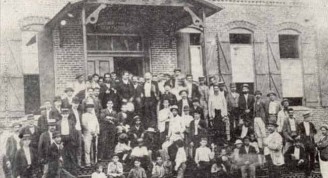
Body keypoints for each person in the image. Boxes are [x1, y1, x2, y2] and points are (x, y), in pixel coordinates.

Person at [297, 111, 317, 178]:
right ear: (305, 118)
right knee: (305, 156)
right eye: (308, 117)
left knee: (312, 155)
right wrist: (303, 137)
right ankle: (306, 171)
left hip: (310, 140)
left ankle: (312, 168)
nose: (309, 118)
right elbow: (299, 132)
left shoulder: (311, 124)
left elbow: (315, 131)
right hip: (304, 141)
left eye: (309, 117)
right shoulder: (300, 124)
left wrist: (312, 134)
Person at [69, 96, 83, 167]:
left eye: (77, 103)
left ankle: (79, 163)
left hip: (79, 130)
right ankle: (73, 163)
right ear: (71, 103)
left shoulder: (79, 112)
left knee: (79, 147)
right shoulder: (69, 112)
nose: (76, 105)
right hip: (72, 132)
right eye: (74, 103)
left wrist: (82, 132)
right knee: (72, 146)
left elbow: (81, 122)